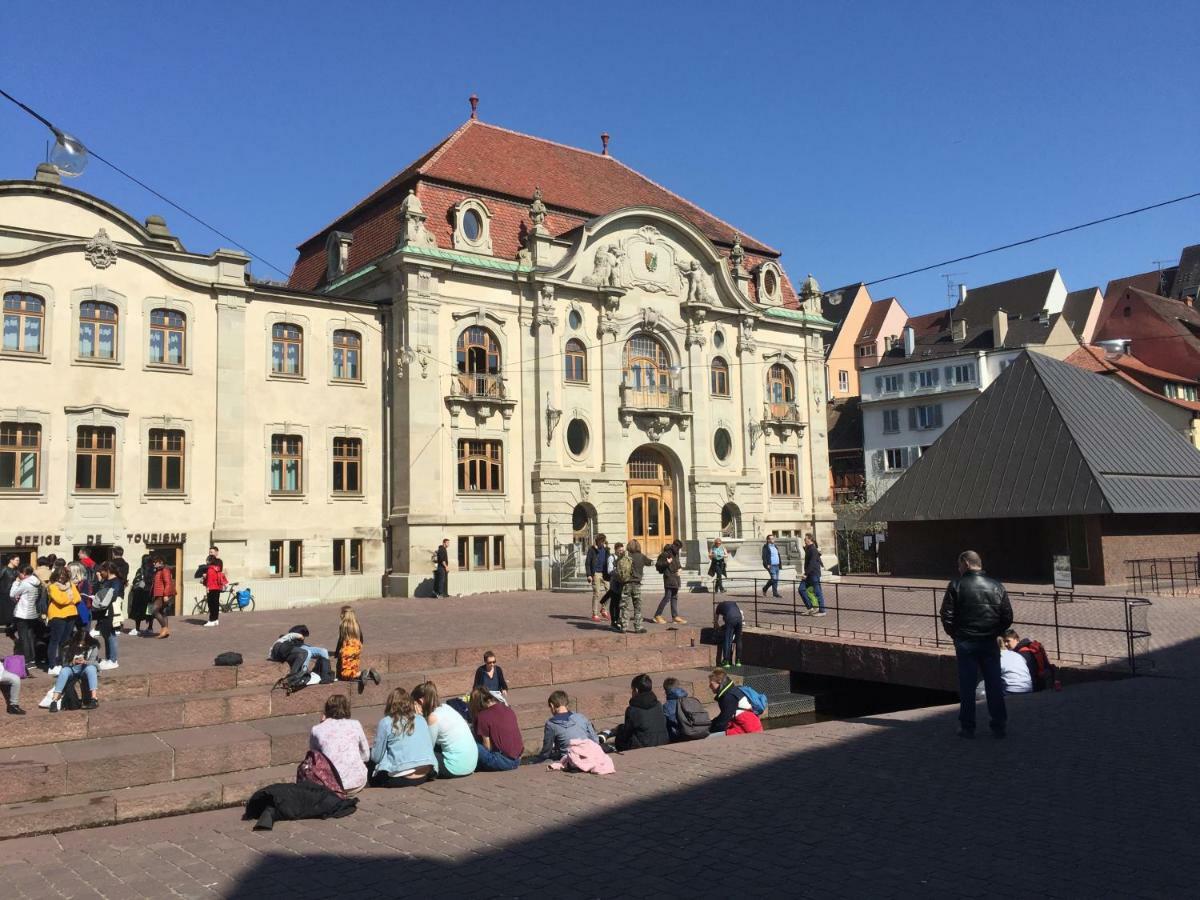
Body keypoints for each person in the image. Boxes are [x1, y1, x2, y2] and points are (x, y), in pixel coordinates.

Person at [940, 550, 1014, 739]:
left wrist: (956, 635)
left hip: (966, 642)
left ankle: (967, 726)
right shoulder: (996, 586)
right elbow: (1007, 616)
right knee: (994, 684)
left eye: (959, 565)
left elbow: (946, 615)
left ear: (965, 563)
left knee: (967, 685)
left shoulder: (956, 585)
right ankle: (999, 725)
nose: (958, 569)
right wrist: (995, 632)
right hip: (989, 642)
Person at [370, 687, 437, 787]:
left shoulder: (386, 722)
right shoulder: (421, 719)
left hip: (402, 777)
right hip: (425, 773)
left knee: (372, 763)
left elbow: (376, 757)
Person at [412, 681, 477, 777]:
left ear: (420, 701)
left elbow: (426, 748)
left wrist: (418, 719)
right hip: (471, 764)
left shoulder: (433, 717)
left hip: (455, 767)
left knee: (417, 755)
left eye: (414, 704)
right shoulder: (446, 707)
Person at [309, 694, 370, 795]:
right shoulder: (355, 724)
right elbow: (366, 756)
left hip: (331, 786)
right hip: (358, 783)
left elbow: (314, 758)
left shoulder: (317, 729)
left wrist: (321, 724)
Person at [534, 690, 600, 762]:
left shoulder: (551, 724)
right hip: (589, 754)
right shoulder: (580, 716)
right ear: (567, 704)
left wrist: (540, 758)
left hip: (570, 758)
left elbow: (547, 749)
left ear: (552, 705)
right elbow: (595, 740)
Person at [469, 686, 524, 771]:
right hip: (518, 759)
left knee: (473, 745)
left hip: (504, 761)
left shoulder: (482, 716)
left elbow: (487, 747)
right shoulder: (508, 709)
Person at [47, 627, 101, 712]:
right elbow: (64, 664)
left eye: (84, 643)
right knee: (64, 672)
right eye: (80, 642)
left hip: (85, 668)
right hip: (72, 668)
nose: (81, 645)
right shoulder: (67, 647)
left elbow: (94, 662)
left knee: (91, 669)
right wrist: (72, 662)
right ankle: (54, 701)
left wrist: (85, 661)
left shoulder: (93, 646)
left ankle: (94, 698)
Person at [614, 673, 669, 751]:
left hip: (642, 745)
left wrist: (619, 730)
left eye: (632, 690)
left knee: (621, 734)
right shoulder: (658, 705)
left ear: (636, 690)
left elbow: (626, 733)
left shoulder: (632, 710)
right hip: (663, 741)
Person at [335, 606, 380, 690]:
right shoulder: (356, 623)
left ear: (344, 614)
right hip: (356, 648)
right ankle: (369, 673)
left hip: (348, 649)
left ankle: (361, 674)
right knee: (353, 668)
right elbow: (361, 638)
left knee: (345, 674)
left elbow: (341, 640)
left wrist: (337, 652)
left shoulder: (343, 624)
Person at [708, 667, 762, 736]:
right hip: (745, 726)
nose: (709, 686)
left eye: (711, 684)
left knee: (708, 737)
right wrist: (710, 724)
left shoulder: (729, 697)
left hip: (748, 729)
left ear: (719, 682)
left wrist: (709, 729)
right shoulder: (732, 691)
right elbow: (723, 716)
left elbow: (723, 721)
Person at [46, 567, 81, 675]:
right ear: (55, 575)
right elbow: (60, 600)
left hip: (71, 614)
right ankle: (52, 666)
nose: (62, 577)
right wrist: (70, 599)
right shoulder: (52, 586)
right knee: (55, 640)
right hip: (57, 615)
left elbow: (77, 598)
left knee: (65, 641)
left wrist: (69, 599)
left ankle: (63, 661)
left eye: (64, 574)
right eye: (59, 575)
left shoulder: (71, 585)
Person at [620, 539, 655, 634]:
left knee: (624, 606)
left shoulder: (626, 556)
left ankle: (623, 627)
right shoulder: (641, 557)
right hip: (636, 585)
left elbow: (617, 565)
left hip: (626, 584)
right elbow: (651, 563)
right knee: (637, 606)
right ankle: (638, 627)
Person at [9, 565, 40, 670]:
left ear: (24, 574)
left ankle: (27, 661)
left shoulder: (25, 583)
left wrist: (16, 582)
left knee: (24, 638)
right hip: (32, 613)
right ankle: (32, 660)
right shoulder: (36, 582)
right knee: (30, 637)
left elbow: (12, 594)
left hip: (22, 614)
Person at [92, 562, 123, 670]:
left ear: (108, 570)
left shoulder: (116, 582)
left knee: (111, 635)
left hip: (110, 611)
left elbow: (112, 595)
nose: (100, 573)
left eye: (102, 571)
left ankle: (113, 660)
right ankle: (108, 658)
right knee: (106, 634)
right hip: (104, 611)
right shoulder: (106, 581)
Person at [653, 542, 687, 625]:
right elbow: (658, 566)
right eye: (678, 548)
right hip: (669, 578)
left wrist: (680, 569)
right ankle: (657, 615)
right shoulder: (665, 554)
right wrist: (667, 562)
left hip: (676, 578)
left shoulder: (676, 554)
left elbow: (678, 564)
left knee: (674, 597)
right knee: (667, 597)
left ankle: (675, 617)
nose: (678, 550)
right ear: (674, 546)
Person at [584, 533, 611, 623]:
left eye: (603, 541)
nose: (602, 543)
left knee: (611, 591)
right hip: (596, 573)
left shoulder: (606, 550)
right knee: (597, 593)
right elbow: (587, 563)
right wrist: (589, 575)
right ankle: (594, 614)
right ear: (597, 541)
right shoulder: (592, 550)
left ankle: (603, 609)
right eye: (601, 541)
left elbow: (609, 561)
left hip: (605, 573)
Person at [800, 533, 827, 616]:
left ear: (810, 539)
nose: (804, 540)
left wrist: (806, 574)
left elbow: (812, 563)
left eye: (805, 538)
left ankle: (822, 611)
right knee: (801, 589)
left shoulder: (813, 549)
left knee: (818, 591)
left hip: (813, 574)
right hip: (809, 574)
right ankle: (810, 608)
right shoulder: (809, 548)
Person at [128, 554, 154, 636]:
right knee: (149, 611)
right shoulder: (154, 570)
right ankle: (150, 628)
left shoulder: (141, 570)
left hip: (140, 593)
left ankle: (137, 629)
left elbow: (135, 581)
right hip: (150, 593)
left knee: (138, 611)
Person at [713, 599, 744, 668]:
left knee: (728, 640)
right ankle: (738, 661)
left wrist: (717, 627)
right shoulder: (733, 603)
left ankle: (726, 661)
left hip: (730, 618)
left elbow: (715, 621)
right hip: (739, 618)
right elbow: (739, 612)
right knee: (738, 639)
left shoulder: (718, 607)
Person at [149, 556, 174, 639]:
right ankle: (165, 631)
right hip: (158, 594)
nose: (153, 563)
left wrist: (166, 595)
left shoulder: (165, 570)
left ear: (161, 562)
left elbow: (168, 583)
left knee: (154, 610)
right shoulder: (158, 571)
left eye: (155, 562)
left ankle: (164, 628)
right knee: (162, 612)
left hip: (162, 594)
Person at [201, 554, 227, 627]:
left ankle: (212, 620)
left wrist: (207, 588)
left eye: (207, 560)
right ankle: (215, 620)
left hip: (212, 588)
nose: (206, 561)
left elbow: (210, 580)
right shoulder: (217, 568)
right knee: (216, 605)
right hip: (217, 588)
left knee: (211, 605)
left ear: (209, 561)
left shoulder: (210, 569)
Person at [662, 677, 688, 742]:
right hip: (692, 730)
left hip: (677, 736)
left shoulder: (666, 706)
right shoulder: (689, 700)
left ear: (666, 691)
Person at [606, 542, 625, 629]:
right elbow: (609, 571)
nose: (621, 551)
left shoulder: (623, 558)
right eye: (620, 550)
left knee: (620, 602)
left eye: (622, 550)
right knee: (614, 602)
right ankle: (613, 621)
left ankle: (618, 620)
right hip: (614, 582)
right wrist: (618, 571)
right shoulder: (611, 558)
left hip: (621, 583)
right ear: (616, 550)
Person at [0, 552, 20, 629]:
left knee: (12, 613)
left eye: (18, 560)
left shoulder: (16, 571)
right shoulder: (4, 569)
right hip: (4, 594)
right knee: (6, 613)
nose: (18, 562)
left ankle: (10, 629)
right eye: (16, 560)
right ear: (11, 560)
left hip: (13, 594)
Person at [761, 534, 782, 599]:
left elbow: (778, 556)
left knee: (775, 580)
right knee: (774, 579)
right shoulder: (766, 547)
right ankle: (766, 589)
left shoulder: (775, 546)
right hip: (771, 565)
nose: (773, 540)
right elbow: (764, 557)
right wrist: (767, 564)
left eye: (773, 538)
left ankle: (773, 593)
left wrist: (780, 564)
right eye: (771, 539)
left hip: (777, 565)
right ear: (768, 540)